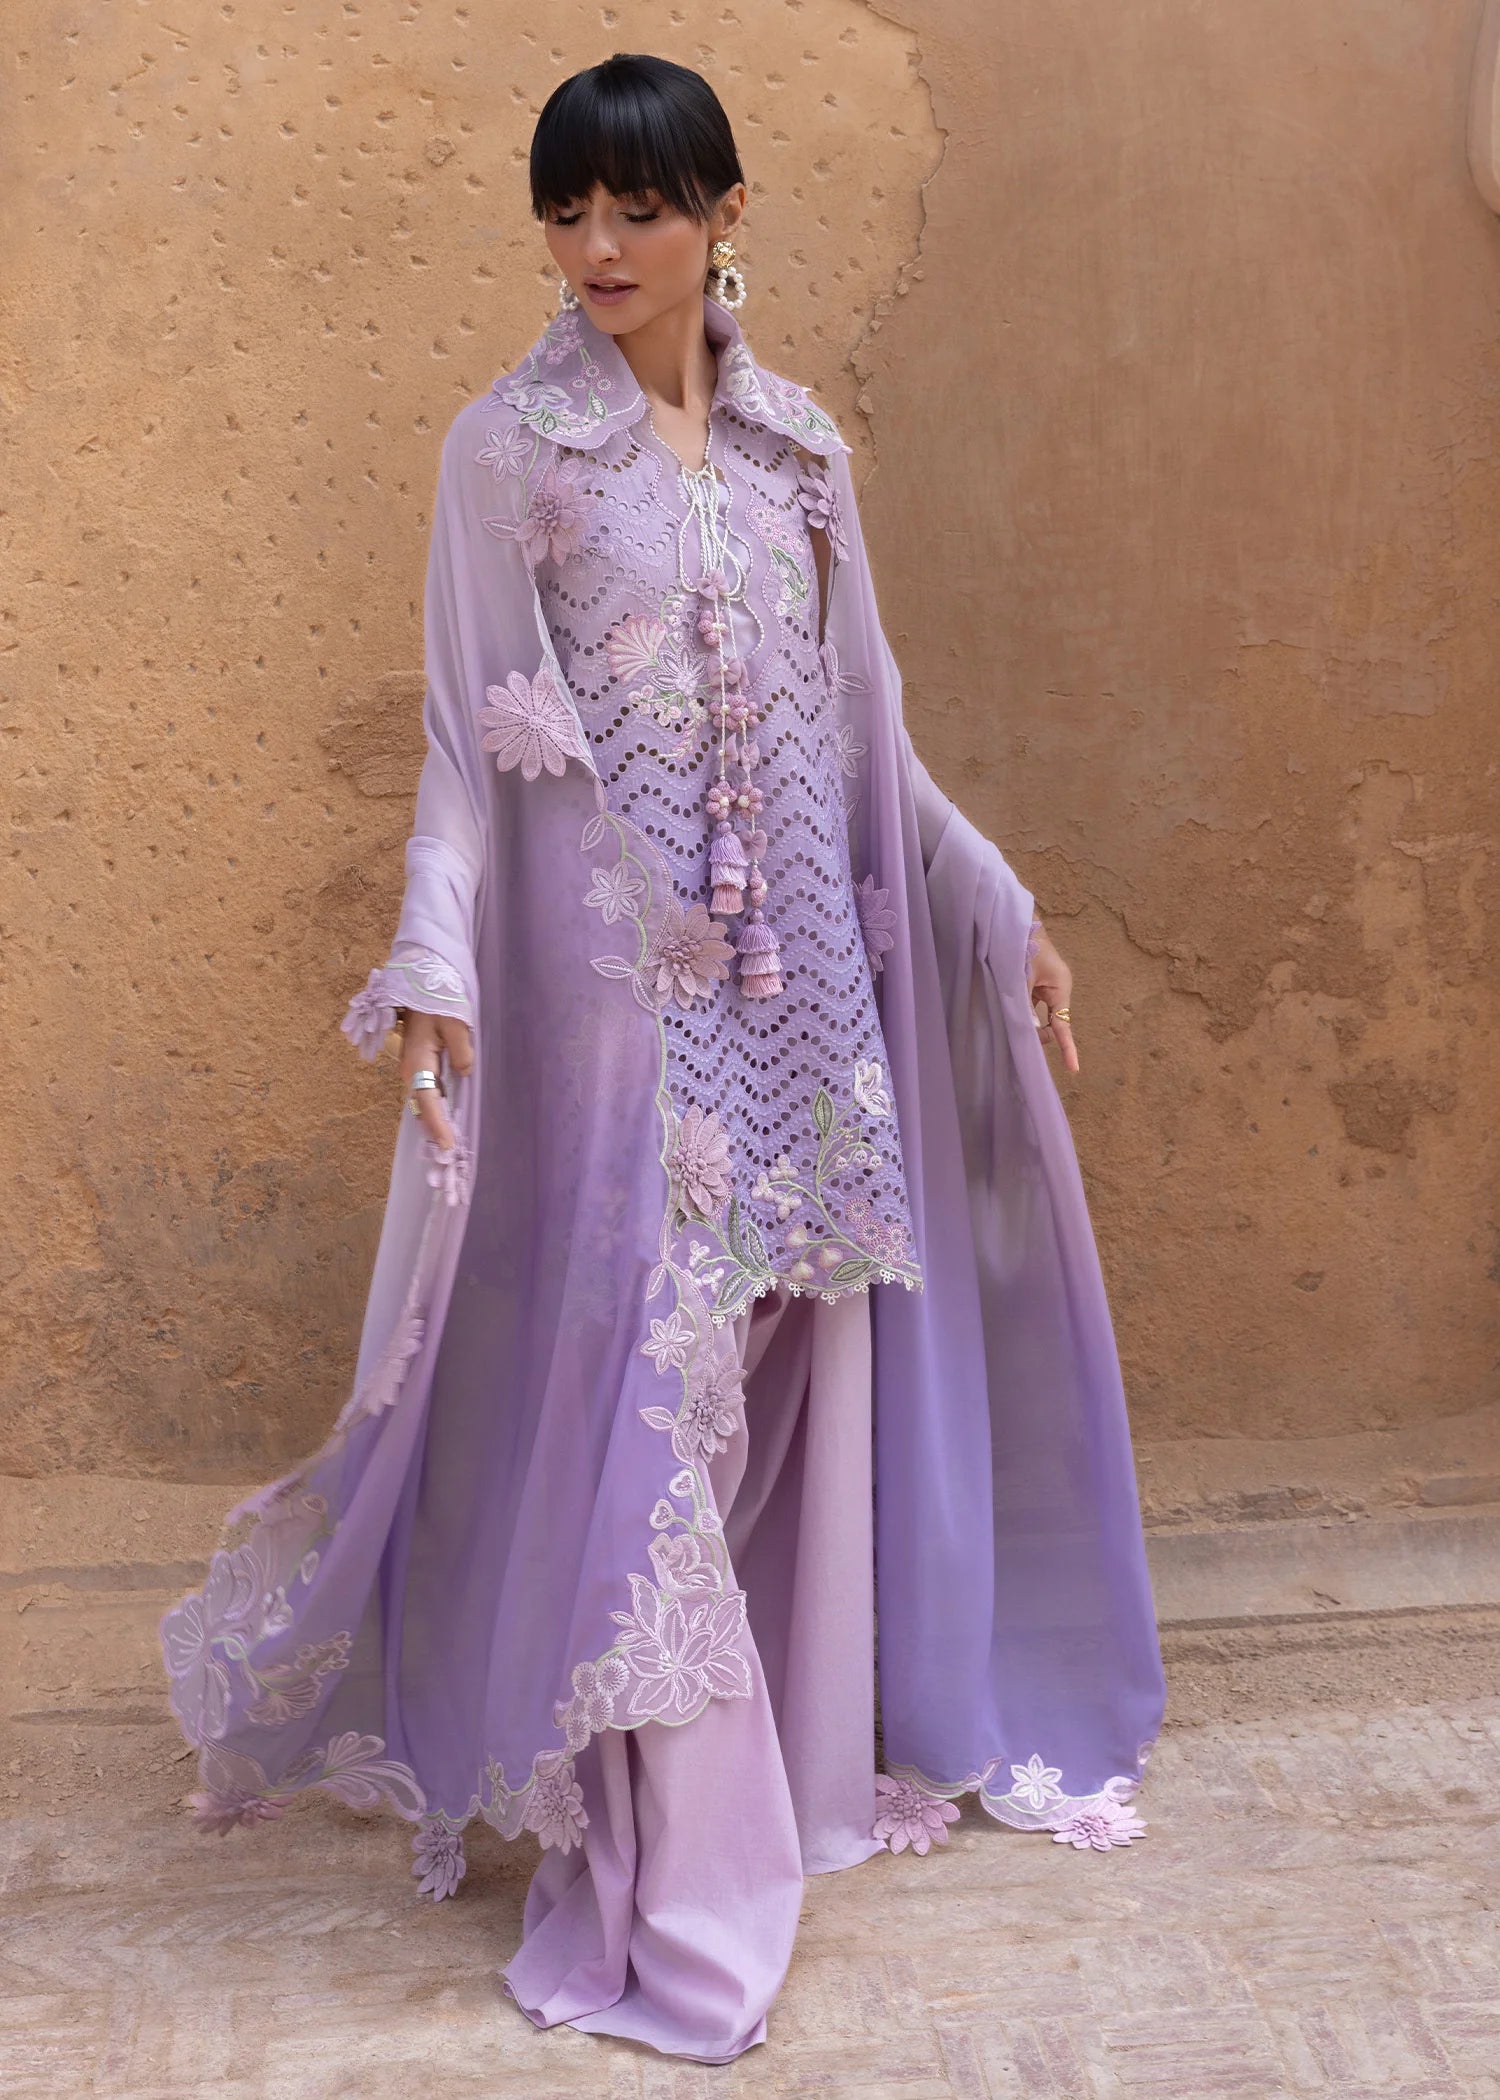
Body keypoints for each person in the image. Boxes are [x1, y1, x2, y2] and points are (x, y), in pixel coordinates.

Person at [158, 52, 1166, 2064]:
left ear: (724, 214)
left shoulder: (802, 453)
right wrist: (431, 961)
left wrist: (999, 908)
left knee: (785, 1391)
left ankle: (785, 1772)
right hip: (629, 1041)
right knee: (650, 1407)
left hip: (810, 1020)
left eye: (638, 209)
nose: (599, 247)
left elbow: (869, 737)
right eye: (567, 212)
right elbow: (464, 748)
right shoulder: (510, 452)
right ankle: (678, 1866)